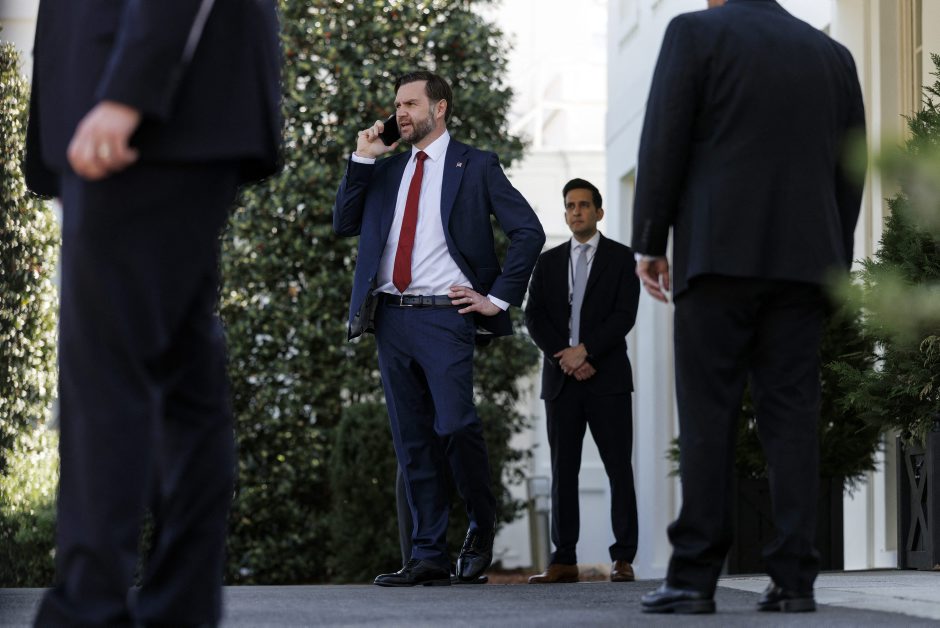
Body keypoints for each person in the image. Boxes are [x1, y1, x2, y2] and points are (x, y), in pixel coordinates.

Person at [23, 1, 281, 625]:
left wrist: (129, 90)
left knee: (106, 380)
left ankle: (89, 609)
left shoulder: (131, 100)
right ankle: (178, 609)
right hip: (166, 109)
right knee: (183, 385)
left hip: (147, 111)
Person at [632, 0, 866, 615]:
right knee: (792, 417)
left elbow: (663, 138)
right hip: (804, 265)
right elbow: (851, 169)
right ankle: (795, 579)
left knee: (708, 415)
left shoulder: (693, 33)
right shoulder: (832, 55)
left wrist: (650, 240)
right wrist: (835, 261)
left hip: (718, 257)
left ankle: (693, 579)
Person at [333, 70, 544, 586]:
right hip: (390, 317)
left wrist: (496, 299)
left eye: (410, 104)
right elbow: (344, 223)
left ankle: (480, 523)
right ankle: (428, 554)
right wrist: (362, 158)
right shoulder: (385, 171)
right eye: (397, 105)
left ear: (440, 107)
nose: (400, 113)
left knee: (454, 425)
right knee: (413, 441)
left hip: (446, 315)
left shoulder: (476, 165)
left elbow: (528, 232)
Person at [524, 178, 640, 584]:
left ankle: (623, 557)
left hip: (608, 380)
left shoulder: (622, 258)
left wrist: (586, 352)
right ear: (565, 213)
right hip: (562, 382)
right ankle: (563, 560)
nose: (577, 211)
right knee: (563, 471)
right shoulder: (547, 262)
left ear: (598, 212)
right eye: (571, 206)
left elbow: (624, 315)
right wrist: (567, 357)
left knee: (618, 469)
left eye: (584, 205)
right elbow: (534, 316)